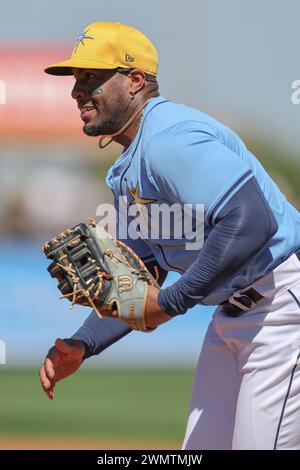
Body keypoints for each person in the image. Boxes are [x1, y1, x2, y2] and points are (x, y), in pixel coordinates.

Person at [39, 21, 300, 450]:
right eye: (76, 79)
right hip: (231, 319)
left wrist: (172, 304)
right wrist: (83, 344)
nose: (76, 91)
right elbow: (144, 269)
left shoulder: (170, 139)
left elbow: (251, 220)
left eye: (91, 77)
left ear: (136, 80)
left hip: (281, 312)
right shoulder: (129, 166)